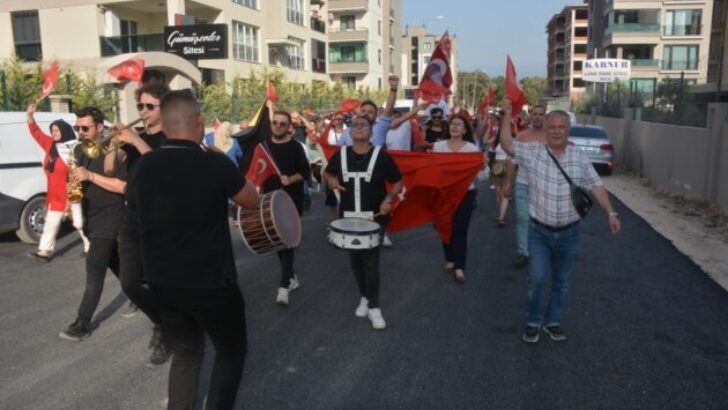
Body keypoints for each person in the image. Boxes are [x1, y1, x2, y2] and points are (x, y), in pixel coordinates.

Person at [131, 90, 258, 410]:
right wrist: (222, 162)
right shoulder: (213, 163)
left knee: (186, 353)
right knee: (231, 351)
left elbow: (135, 210)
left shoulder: (144, 166)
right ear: (199, 121)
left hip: (161, 282)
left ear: (167, 124)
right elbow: (252, 201)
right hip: (211, 282)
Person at [499, 98, 622, 344]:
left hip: (570, 233)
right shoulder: (532, 152)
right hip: (539, 232)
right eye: (552, 127)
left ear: (568, 130)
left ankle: (552, 321)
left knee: (562, 282)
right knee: (537, 280)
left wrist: (611, 212)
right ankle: (533, 321)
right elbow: (506, 144)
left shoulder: (579, 157)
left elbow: (596, 185)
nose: (556, 131)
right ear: (545, 129)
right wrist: (506, 115)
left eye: (561, 127)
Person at [104, 82, 172, 365]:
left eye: (149, 107)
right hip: (132, 216)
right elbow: (110, 168)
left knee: (159, 281)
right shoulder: (135, 138)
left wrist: (134, 140)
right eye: (140, 106)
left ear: (163, 108)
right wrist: (112, 144)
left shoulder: (170, 137)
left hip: (159, 218)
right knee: (131, 283)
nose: (142, 112)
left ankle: (171, 331)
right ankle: (163, 323)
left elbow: (164, 166)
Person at [323, 115, 403, 330]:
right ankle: (364, 297)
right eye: (355, 125)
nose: (358, 128)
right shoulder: (340, 155)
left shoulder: (382, 157)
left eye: (364, 125)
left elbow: (398, 183)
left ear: (370, 132)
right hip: (348, 219)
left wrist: (388, 200)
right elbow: (327, 172)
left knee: (371, 262)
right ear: (350, 132)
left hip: (375, 219)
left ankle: (374, 306)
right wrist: (332, 181)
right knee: (355, 261)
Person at [58, 107, 126, 341]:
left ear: (99, 127)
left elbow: (123, 186)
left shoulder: (115, 148)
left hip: (110, 216)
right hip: (91, 217)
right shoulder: (77, 149)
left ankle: (82, 324)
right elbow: (75, 183)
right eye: (77, 128)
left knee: (94, 268)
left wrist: (91, 176)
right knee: (118, 265)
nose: (80, 132)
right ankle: (142, 294)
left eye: (85, 128)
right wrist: (71, 197)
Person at [25, 105, 90, 261]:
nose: (54, 133)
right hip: (55, 193)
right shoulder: (50, 145)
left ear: (64, 131)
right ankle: (44, 252)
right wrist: (30, 115)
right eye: (52, 131)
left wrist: (71, 194)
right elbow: (36, 133)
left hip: (71, 191)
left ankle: (91, 246)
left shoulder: (74, 148)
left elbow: (76, 172)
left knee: (79, 223)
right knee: (51, 223)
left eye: (57, 131)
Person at [263, 111, 311, 305]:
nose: (278, 126)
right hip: (269, 201)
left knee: (288, 243)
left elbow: (305, 172)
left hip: (291, 201)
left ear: (289, 127)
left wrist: (290, 179)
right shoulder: (263, 148)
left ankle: (283, 286)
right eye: (275, 123)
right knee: (276, 242)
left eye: (283, 124)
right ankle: (290, 276)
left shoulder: (296, 147)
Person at [432, 114, 482, 283]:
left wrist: (482, 166)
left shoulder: (472, 149)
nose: (454, 127)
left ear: (465, 129)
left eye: (459, 124)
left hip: (466, 193)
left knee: (460, 229)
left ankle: (459, 267)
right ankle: (450, 259)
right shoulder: (437, 147)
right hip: (443, 193)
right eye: (452, 124)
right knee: (445, 226)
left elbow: (483, 175)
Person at [512, 105, 547, 269]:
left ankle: (540, 251)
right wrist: (507, 183)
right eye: (535, 114)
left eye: (541, 114)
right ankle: (523, 252)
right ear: (530, 116)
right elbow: (513, 162)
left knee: (541, 220)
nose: (538, 117)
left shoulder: (550, 136)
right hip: (523, 184)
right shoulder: (521, 136)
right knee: (522, 218)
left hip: (544, 186)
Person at [337, 75, 399, 147]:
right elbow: (336, 151)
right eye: (363, 111)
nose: (366, 114)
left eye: (370, 112)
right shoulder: (347, 132)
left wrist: (393, 89)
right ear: (359, 113)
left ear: (376, 116)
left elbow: (389, 109)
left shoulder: (380, 127)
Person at [487, 130, 514, 228]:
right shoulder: (496, 141)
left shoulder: (512, 140)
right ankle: (501, 213)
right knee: (498, 193)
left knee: (505, 193)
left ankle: (501, 218)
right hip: (497, 167)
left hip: (508, 167)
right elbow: (486, 141)